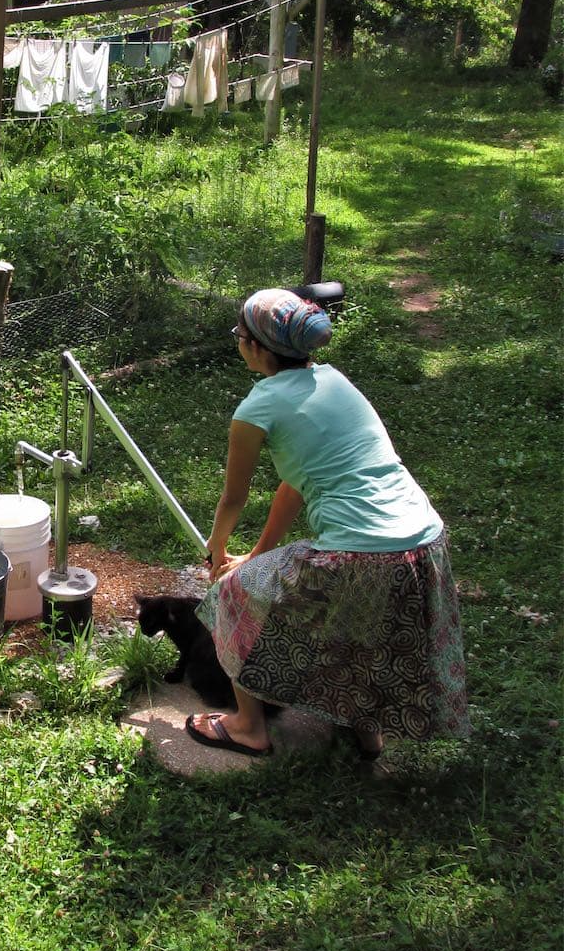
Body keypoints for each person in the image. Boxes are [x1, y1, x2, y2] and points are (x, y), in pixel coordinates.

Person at [187, 288, 470, 759]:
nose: (238, 342)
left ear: (256, 346)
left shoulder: (256, 409)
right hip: (424, 542)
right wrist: (255, 557)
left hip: (362, 552)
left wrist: (218, 551)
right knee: (362, 624)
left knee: (230, 594)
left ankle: (248, 728)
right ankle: (367, 732)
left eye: (240, 334)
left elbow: (234, 497)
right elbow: (295, 484)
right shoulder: (334, 382)